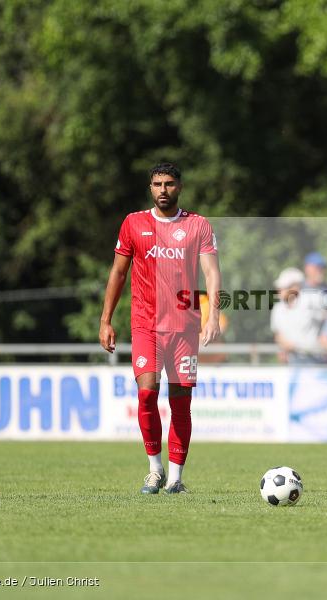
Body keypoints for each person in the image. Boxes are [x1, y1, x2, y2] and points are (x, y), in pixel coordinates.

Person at [99, 162, 221, 495]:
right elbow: (118, 274)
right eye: (157, 184)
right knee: (147, 392)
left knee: (181, 403)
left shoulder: (197, 225)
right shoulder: (133, 224)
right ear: (150, 188)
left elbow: (211, 273)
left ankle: (177, 478)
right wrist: (105, 320)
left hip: (184, 329)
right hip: (146, 326)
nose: (163, 190)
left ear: (179, 186)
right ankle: (154, 470)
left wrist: (212, 316)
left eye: (168, 183)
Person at [270, 267, 327, 364]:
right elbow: (277, 334)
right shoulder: (277, 308)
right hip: (289, 360)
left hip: (313, 358)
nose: (279, 291)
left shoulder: (311, 300)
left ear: (295, 287)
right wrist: (285, 345)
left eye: (284, 287)